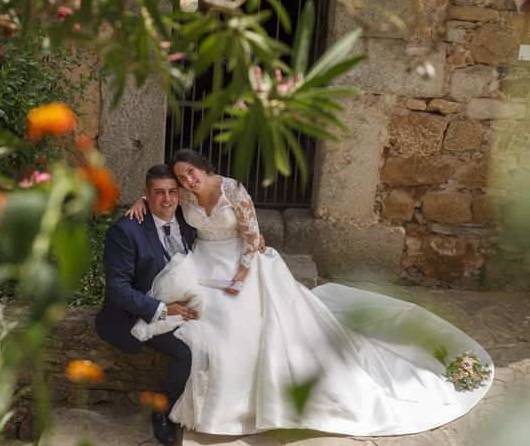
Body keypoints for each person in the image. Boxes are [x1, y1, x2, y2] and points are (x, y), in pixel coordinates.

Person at [126, 148, 494, 437]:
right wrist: (143, 201)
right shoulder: (184, 197)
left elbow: (253, 235)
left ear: (204, 168)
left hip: (242, 263)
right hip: (204, 264)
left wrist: (240, 276)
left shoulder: (232, 189)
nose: (187, 181)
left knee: (245, 329)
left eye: (191, 173)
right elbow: (166, 204)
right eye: (180, 177)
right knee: (206, 328)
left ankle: (242, 408)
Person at [94, 164, 198, 445]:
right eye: (158, 193)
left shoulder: (187, 221)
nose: (167, 199)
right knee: (189, 351)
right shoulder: (126, 231)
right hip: (141, 314)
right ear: (146, 195)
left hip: (185, 304)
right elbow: (118, 289)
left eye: (172, 192)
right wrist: (165, 309)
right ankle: (162, 412)